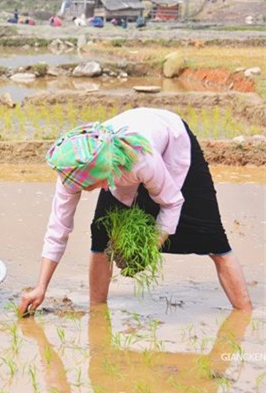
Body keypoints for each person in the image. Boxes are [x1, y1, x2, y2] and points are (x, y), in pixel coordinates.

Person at [19, 108, 253, 314]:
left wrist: (148, 250)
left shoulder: (141, 159)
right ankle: (98, 313)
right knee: (102, 233)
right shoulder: (72, 170)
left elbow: (172, 203)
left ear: (103, 168)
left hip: (173, 144)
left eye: (96, 183)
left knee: (212, 237)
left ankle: (245, 314)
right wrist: (41, 287)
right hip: (123, 161)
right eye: (90, 185)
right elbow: (58, 228)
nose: (99, 190)